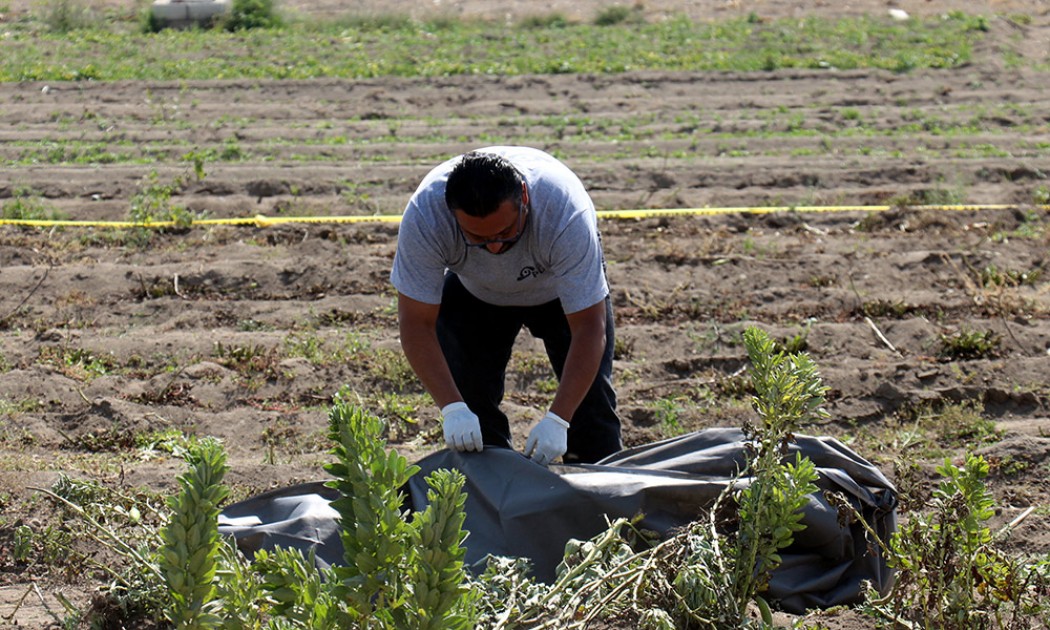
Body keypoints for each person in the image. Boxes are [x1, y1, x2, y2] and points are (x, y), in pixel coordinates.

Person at [390, 146, 622, 466]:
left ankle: (600, 505)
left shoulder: (564, 212)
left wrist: (559, 419)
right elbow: (416, 323)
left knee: (590, 416)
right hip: (475, 293)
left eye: (505, 232)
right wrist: (452, 408)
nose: (495, 246)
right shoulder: (426, 216)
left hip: (556, 292)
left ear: (524, 198)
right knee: (475, 422)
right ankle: (494, 500)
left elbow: (588, 327)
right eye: (477, 237)